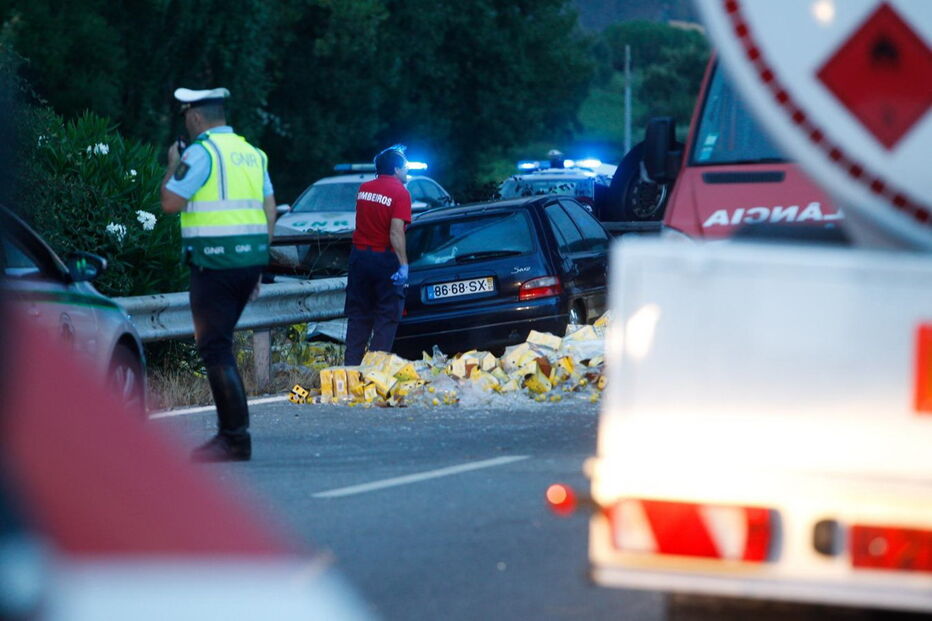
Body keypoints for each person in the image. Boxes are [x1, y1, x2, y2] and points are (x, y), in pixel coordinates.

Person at [160, 87, 276, 462]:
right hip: (247, 266)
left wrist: (172, 162)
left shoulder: (200, 153)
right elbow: (268, 209)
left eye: (186, 117)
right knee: (220, 344)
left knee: (214, 347)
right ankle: (235, 436)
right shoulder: (253, 154)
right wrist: (258, 263)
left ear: (195, 117)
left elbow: (170, 202)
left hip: (213, 264)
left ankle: (234, 438)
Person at [343, 145, 412, 365]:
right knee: (387, 316)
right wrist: (403, 264)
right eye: (405, 167)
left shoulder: (365, 188)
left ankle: (351, 371)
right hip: (384, 260)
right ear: (396, 168)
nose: (407, 171)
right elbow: (395, 231)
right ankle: (373, 371)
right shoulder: (400, 192)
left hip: (359, 259)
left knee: (359, 316)